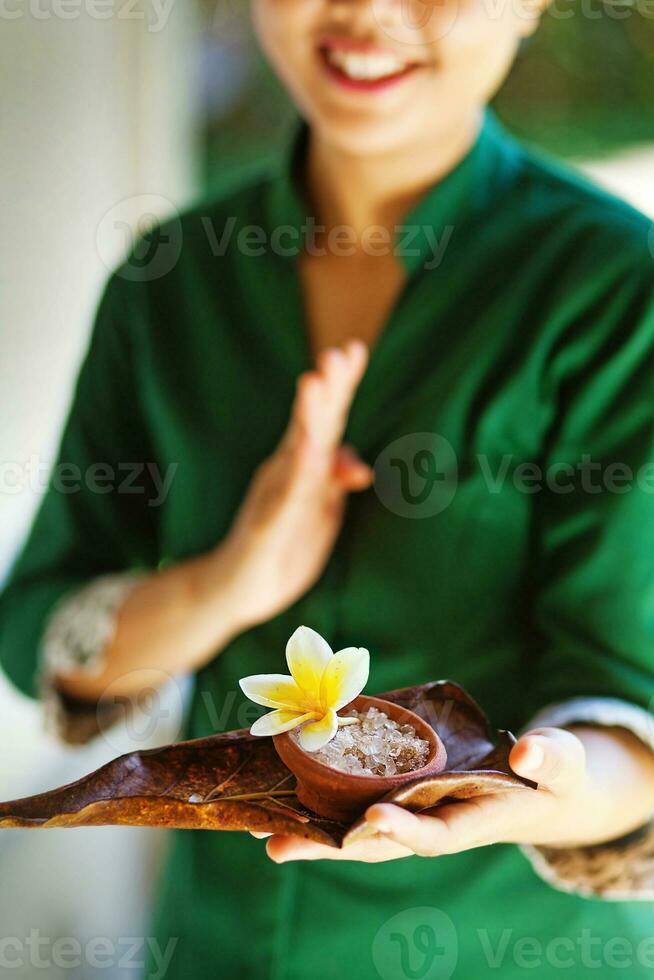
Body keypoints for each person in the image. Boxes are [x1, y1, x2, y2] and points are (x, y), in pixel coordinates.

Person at [2, 0, 654, 976]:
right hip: (220, 940)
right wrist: (228, 581)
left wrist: (548, 780)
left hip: (513, 946)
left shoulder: (614, 288)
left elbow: (628, 696)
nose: (369, 10)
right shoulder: (168, 280)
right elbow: (37, 630)